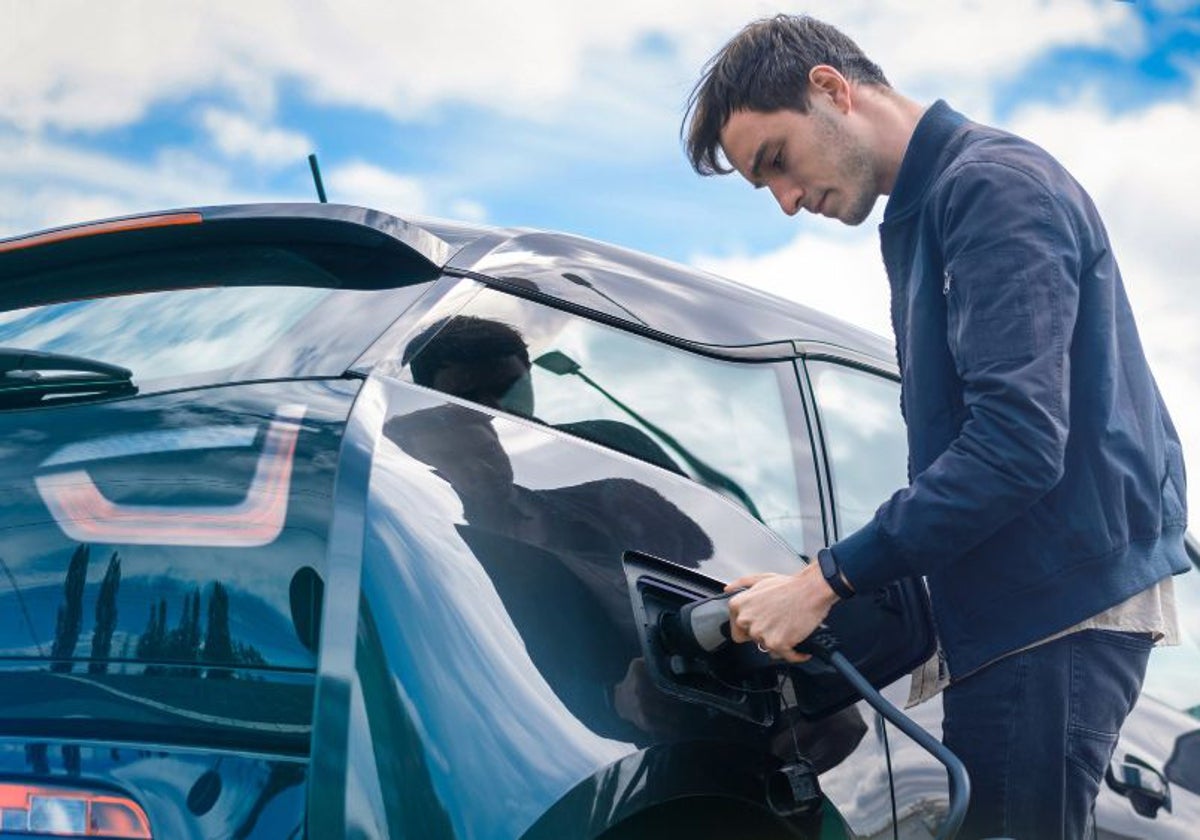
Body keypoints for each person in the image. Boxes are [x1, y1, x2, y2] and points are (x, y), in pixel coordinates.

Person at [683, 14, 1189, 839]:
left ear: (831, 89)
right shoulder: (940, 207)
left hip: (1049, 615)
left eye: (775, 160)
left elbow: (1016, 447)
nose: (783, 202)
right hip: (1025, 610)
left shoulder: (993, 188)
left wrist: (823, 581)